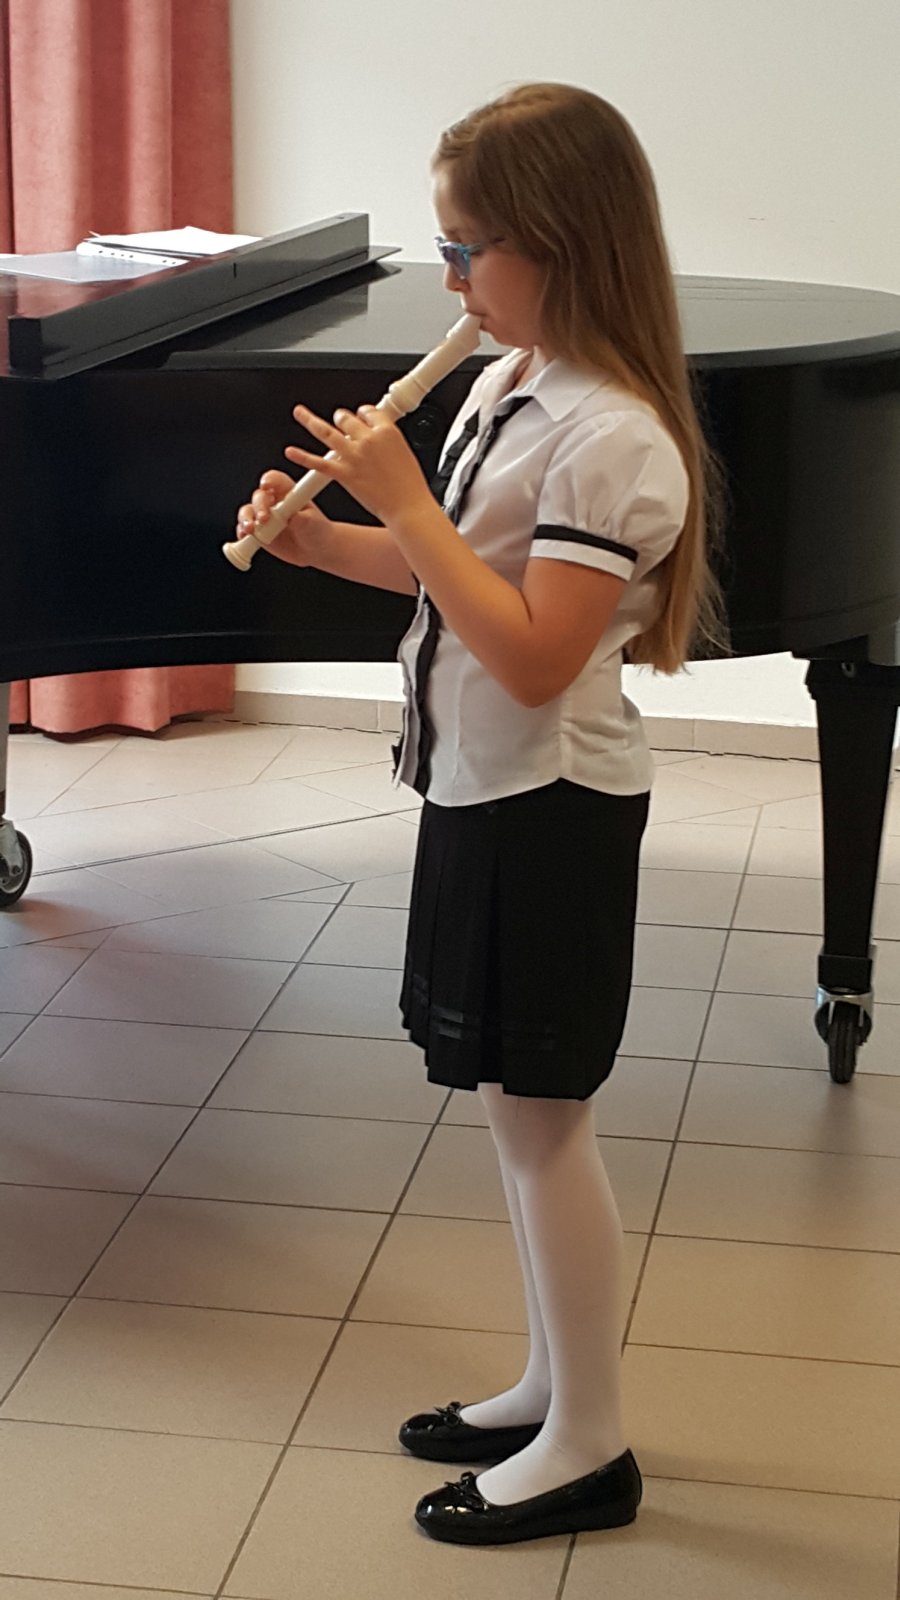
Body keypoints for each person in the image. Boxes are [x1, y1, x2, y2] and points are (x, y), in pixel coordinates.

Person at [235, 81, 722, 1547]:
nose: (450, 280)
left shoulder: (614, 438)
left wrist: (404, 498)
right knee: (519, 1126)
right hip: (479, 784)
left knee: (545, 1131)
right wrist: (329, 540)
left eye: (466, 249)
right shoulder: (516, 381)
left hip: (549, 807)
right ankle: (548, 1386)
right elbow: (468, 572)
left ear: (559, 245)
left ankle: (590, 1442)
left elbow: (531, 650)